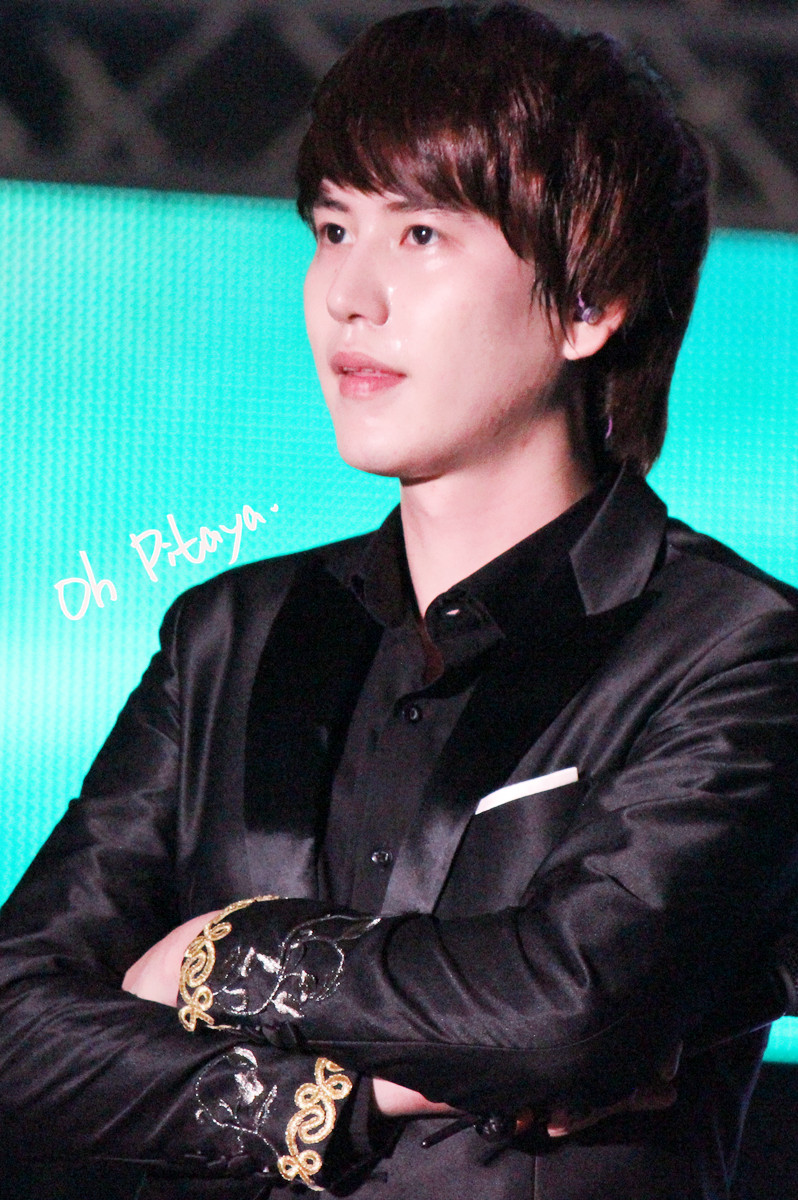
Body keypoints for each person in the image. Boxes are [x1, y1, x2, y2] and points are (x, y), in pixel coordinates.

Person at [1, 5, 797, 1199]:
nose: (348, 295)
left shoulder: (736, 651)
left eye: (421, 233)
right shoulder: (227, 637)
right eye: (333, 229)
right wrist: (345, 1100)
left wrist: (224, 952)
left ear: (590, 301)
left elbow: (569, 1009)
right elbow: (17, 1025)